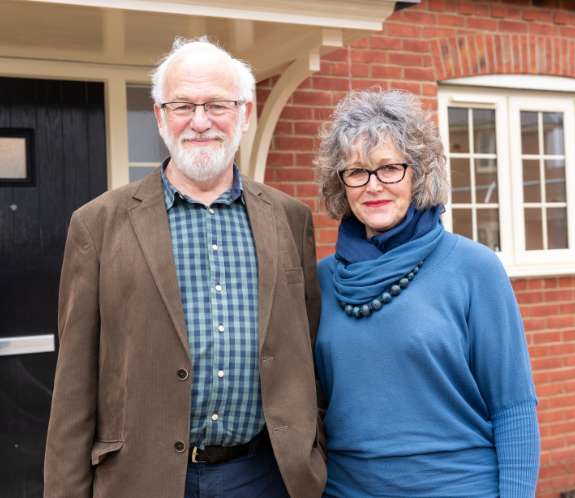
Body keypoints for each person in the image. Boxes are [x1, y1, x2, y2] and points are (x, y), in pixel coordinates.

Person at [44, 37, 326, 498]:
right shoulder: (97, 224)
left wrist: (315, 454)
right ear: (160, 116)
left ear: (245, 113)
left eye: (216, 104)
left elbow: (310, 353)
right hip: (141, 480)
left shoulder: (290, 219)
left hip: (265, 477)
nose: (200, 121)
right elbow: (74, 384)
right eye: (182, 106)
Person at [314, 90, 540, 498]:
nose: (373, 186)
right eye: (357, 171)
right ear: (340, 183)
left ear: (418, 174)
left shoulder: (474, 268)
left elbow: (513, 408)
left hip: (458, 487)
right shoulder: (322, 281)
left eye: (390, 168)